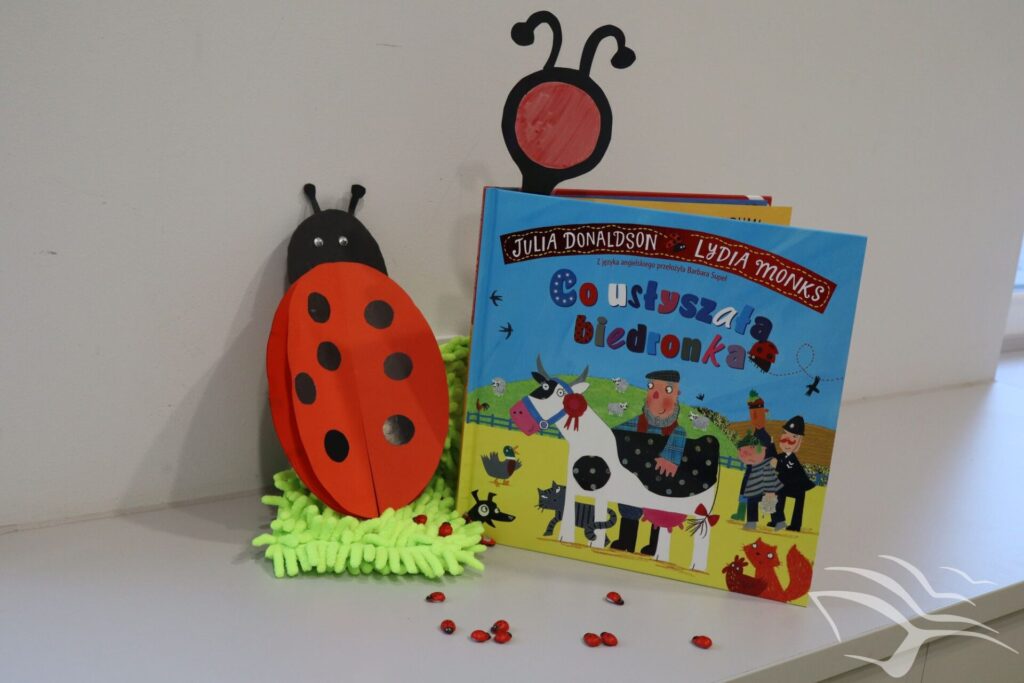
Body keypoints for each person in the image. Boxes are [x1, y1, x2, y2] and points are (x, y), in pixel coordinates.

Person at [611, 369, 688, 555]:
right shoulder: (637, 423)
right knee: (629, 505)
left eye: (666, 390)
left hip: (661, 481)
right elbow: (614, 435)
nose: (655, 396)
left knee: (658, 509)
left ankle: (654, 546)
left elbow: (680, 437)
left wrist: (670, 458)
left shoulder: (676, 431)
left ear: (676, 394)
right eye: (651, 387)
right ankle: (626, 541)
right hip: (635, 478)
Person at [754, 415, 815, 532]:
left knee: (780, 491)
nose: (787, 440)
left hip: (797, 486)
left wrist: (777, 466)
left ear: (799, 441)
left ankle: (795, 525)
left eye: (794, 437)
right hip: (786, 483)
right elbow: (773, 458)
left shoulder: (792, 459)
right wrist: (771, 445)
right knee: (774, 491)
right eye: (785, 434)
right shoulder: (781, 456)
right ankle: (776, 520)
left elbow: (787, 471)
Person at [734, 431, 782, 530]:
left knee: (769, 502)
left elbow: (773, 463)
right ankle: (752, 522)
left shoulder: (765, 456)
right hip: (757, 484)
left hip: (766, 485)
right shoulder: (755, 459)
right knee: (753, 499)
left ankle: (779, 521)